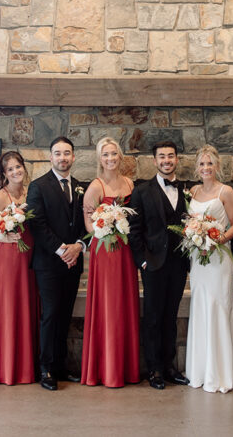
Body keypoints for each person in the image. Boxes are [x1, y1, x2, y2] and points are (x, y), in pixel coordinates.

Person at [129, 140, 191, 390]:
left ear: (177, 160)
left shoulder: (187, 190)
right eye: (162, 156)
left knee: (170, 316)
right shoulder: (141, 191)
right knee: (153, 316)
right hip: (152, 264)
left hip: (178, 264)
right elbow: (134, 230)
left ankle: (169, 366)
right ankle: (154, 368)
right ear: (154, 161)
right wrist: (142, 261)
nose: (166, 160)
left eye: (171, 156)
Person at [27, 136, 87, 391]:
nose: (63, 157)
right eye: (57, 153)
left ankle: (61, 365)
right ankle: (47, 368)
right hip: (49, 263)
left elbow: (89, 223)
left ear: (73, 157)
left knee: (65, 314)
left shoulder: (82, 186)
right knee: (50, 315)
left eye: (67, 153)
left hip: (74, 261)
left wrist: (79, 246)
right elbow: (37, 224)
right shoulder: (38, 186)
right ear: (50, 157)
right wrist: (63, 250)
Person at [80, 137, 140, 388]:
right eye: (105, 155)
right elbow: (88, 224)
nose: (110, 159)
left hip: (125, 251)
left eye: (114, 154)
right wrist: (106, 229)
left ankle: (125, 368)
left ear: (120, 156)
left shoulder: (129, 183)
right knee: (108, 304)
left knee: (124, 303)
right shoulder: (96, 186)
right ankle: (105, 368)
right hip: (105, 251)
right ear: (99, 158)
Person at [184, 145, 233, 393]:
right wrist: (196, 238)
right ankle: (199, 370)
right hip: (198, 259)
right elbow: (189, 224)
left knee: (218, 307)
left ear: (217, 166)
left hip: (219, 258)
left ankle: (222, 373)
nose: (206, 168)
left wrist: (216, 240)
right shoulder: (193, 191)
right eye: (202, 164)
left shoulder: (226, 192)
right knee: (200, 307)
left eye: (210, 164)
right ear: (197, 167)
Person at [0, 151, 38, 385]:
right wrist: (7, 238)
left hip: (30, 258)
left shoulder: (31, 192)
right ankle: (5, 367)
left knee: (27, 307)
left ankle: (26, 365)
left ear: (24, 168)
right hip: (9, 258)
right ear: (4, 174)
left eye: (18, 167)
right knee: (9, 309)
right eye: (10, 169)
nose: (16, 172)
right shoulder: (0, 198)